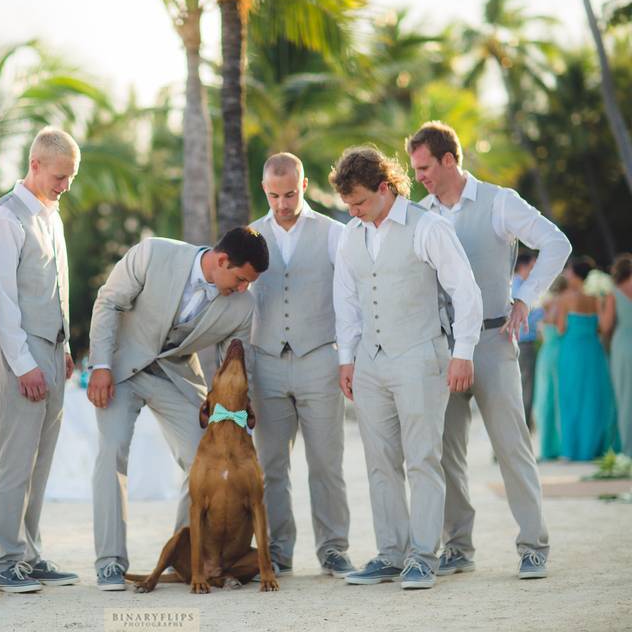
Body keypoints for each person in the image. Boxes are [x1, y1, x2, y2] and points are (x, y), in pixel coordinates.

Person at [407, 121, 567, 579]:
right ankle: (458, 546)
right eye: (415, 169)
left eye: (424, 168)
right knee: (445, 451)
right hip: (442, 348)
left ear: (449, 160)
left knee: (511, 445)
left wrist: (525, 298)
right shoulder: (420, 214)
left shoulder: (500, 202)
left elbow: (557, 243)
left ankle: (533, 545)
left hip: (494, 344)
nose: (419, 177)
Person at [331, 146, 483, 590]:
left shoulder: (428, 228)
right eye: (348, 205)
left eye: (359, 202)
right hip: (370, 363)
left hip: (421, 356)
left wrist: (464, 351)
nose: (354, 211)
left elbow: (466, 291)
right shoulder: (350, 235)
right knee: (380, 462)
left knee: (422, 458)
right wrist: (347, 358)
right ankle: (390, 554)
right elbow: (346, 299)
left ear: (384, 188)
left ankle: (422, 555)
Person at [87, 227, 269, 590]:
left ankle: (187, 558)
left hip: (177, 379)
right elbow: (108, 302)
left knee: (200, 457)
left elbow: (232, 360)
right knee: (112, 452)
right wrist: (101, 366)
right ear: (221, 260)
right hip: (121, 370)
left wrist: (236, 414)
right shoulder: (152, 253)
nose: (243, 288)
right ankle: (109, 562)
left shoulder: (243, 306)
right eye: (240, 278)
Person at [0, 127, 80, 592]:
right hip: (20, 355)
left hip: (53, 352)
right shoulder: (3, 220)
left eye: (71, 177)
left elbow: (55, 285)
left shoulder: (51, 216)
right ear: (35, 165)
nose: (65, 186)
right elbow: (0, 304)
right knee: (14, 461)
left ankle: (30, 554)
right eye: (60, 176)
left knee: (41, 463)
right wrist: (24, 365)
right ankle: (3, 560)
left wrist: (67, 348)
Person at [248, 153, 354, 579]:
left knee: (326, 462)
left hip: (319, 359)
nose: (282, 203)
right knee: (271, 465)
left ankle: (333, 549)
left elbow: (349, 301)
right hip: (266, 362)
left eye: (290, 194)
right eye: (274, 195)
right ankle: (277, 551)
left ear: (304, 185)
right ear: (264, 190)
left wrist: (347, 357)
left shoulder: (334, 234)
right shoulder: (251, 234)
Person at [554, 256, 620, 460]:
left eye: (569, 271)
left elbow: (560, 328)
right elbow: (602, 327)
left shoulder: (565, 298)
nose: (567, 273)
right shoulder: (596, 298)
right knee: (593, 399)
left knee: (571, 398)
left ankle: (574, 450)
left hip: (572, 352)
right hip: (593, 351)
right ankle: (593, 448)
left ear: (575, 275)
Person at [533, 276, 567, 461]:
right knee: (556, 398)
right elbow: (562, 328)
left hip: (547, 353)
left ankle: (548, 446)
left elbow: (543, 330)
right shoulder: (561, 304)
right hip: (558, 352)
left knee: (546, 399)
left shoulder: (548, 305)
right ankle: (558, 444)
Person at [601, 254, 632, 456]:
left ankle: (628, 448)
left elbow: (606, 326)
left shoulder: (614, 294)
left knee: (625, 396)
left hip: (623, 346)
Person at [513, 253, 544, 433]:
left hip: (521, 344)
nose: (534, 271)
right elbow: (526, 317)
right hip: (523, 344)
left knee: (520, 390)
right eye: (533, 267)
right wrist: (546, 311)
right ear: (524, 267)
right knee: (525, 391)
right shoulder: (519, 288)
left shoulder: (515, 285)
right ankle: (520, 434)